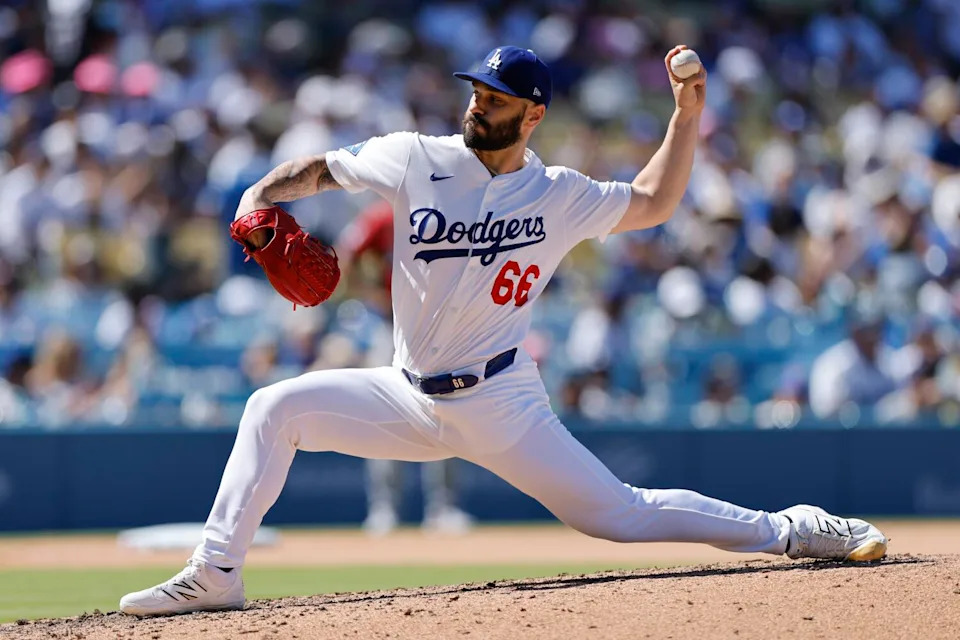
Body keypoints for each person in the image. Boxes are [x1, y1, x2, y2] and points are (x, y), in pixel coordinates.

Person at [119, 45, 887, 616]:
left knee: (621, 515)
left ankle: (791, 528)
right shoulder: (416, 157)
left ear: (534, 113)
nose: (478, 104)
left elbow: (653, 200)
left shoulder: (560, 193)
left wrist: (686, 119)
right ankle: (218, 572)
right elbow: (319, 170)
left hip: (502, 402)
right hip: (406, 391)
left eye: (496, 97)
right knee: (271, 409)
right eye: (477, 91)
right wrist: (259, 193)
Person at [338, 200, 474, 535]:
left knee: (443, 413)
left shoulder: (452, 208)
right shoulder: (383, 215)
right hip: (394, 326)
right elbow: (346, 256)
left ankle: (442, 508)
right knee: (383, 414)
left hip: (440, 327)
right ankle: (384, 508)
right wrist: (373, 294)